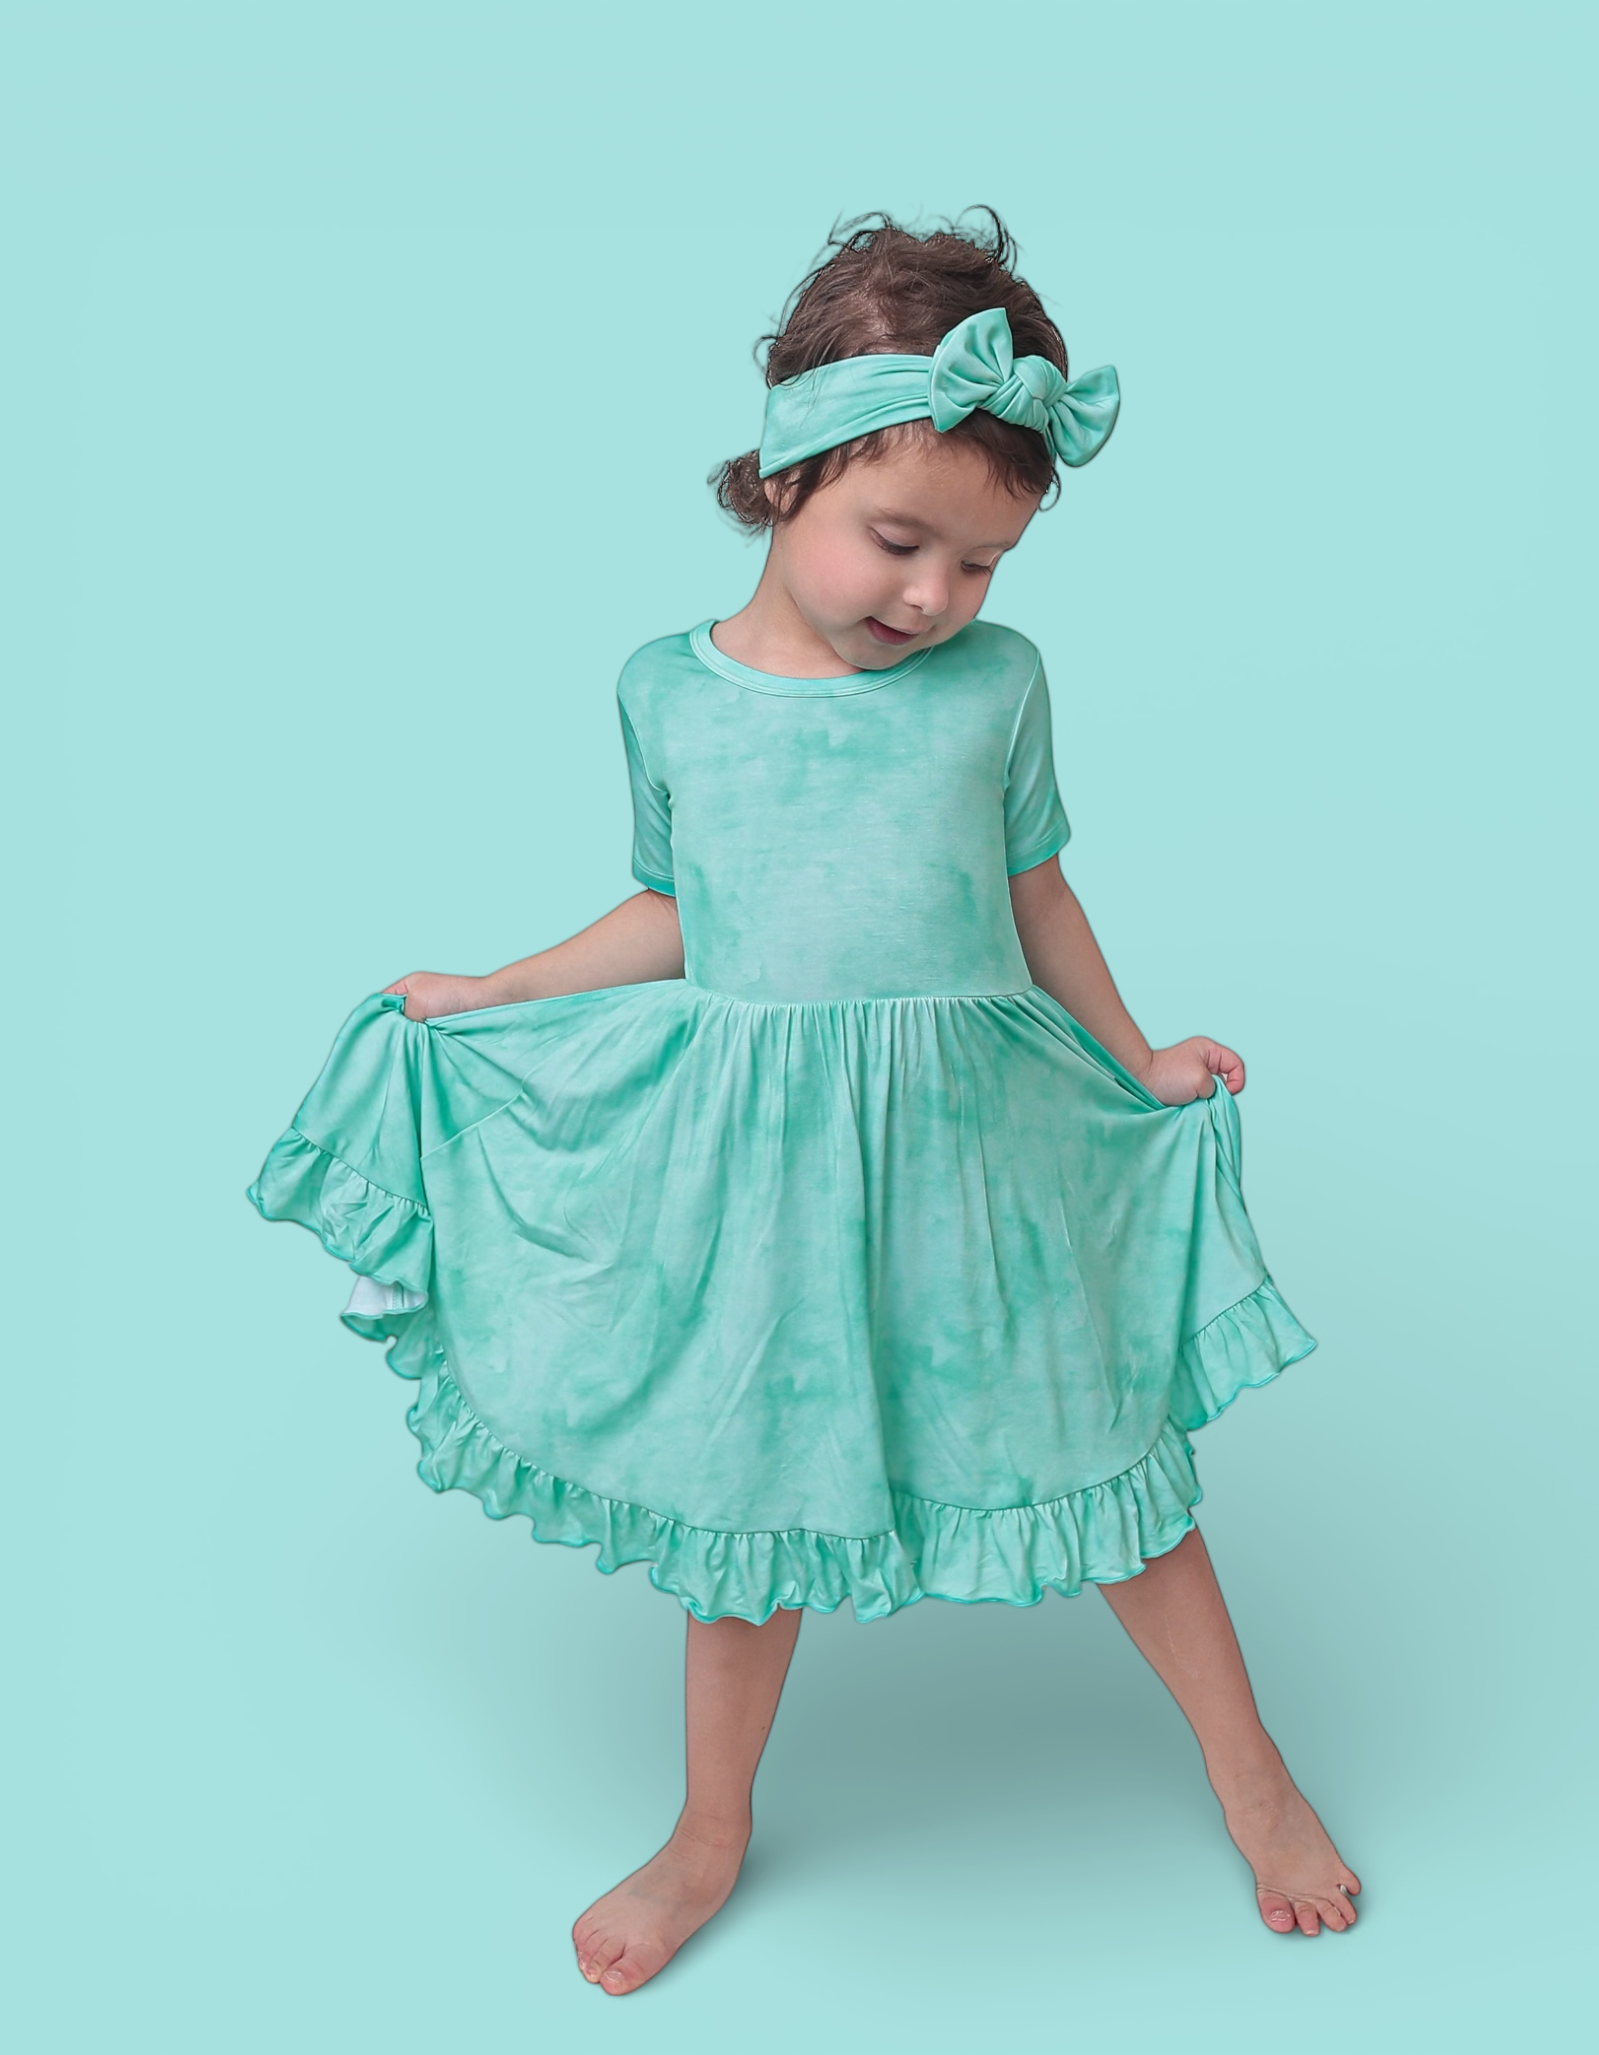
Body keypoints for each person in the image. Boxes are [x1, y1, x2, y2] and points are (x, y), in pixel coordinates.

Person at [250, 211, 1360, 1994]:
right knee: (748, 1502)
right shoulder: (664, 690)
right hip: (762, 1164)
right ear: (783, 478)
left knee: (1105, 1456)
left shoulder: (996, 686)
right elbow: (681, 908)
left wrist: (1137, 1054)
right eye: (898, 541)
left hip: (977, 1140)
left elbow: (1037, 892)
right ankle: (709, 1830)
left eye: (980, 563)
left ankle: (1256, 1780)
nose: (933, 598)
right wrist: (500, 988)